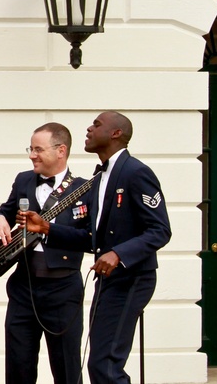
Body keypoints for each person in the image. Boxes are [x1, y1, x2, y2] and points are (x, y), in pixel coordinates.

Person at [18, 111, 171, 384]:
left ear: (116, 134)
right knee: (99, 364)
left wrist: (119, 254)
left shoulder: (136, 172)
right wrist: (47, 228)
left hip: (132, 278)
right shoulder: (99, 178)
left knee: (105, 365)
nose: (89, 129)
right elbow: (92, 238)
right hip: (109, 280)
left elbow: (160, 230)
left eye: (97, 125)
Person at [0, 122, 88, 384]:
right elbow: (5, 210)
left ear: (61, 151)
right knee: (18, 367)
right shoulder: (23, 180)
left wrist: (48, 229)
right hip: (24, 286)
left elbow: (90, 239)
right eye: (30, 149)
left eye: (38, 149)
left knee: (66, 368)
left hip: (63, 288)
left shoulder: (84, 188)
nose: (32, 155)